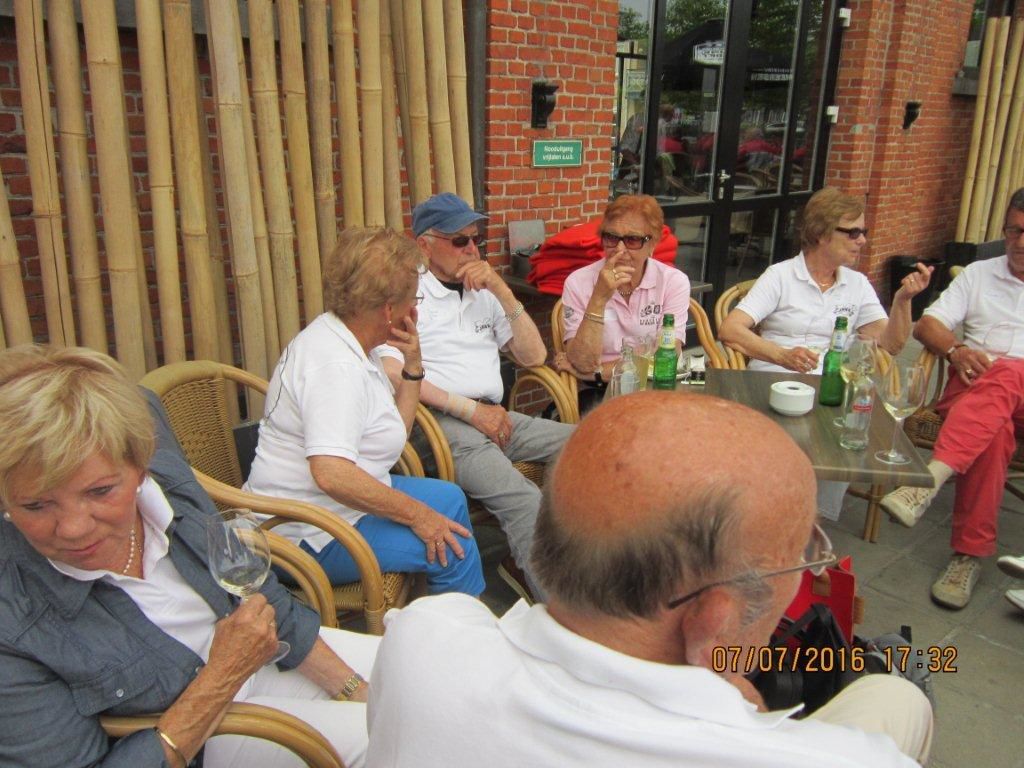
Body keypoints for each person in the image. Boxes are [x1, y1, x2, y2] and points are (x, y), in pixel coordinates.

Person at [366, 392, 933, 767]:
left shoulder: (424, 635)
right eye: (803, 556)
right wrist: (728, 696)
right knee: (901, 696)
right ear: (710, 620)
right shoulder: (850, 760)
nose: (811, 565)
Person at [0, 345, 381, 768]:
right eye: (35, 505)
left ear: (141, 468)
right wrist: (222, 676)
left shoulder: (166, 482)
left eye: (100, 491)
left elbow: (264, 600)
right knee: (388, 743)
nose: (73, 528)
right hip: (194, 734)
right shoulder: (13, 621)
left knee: (416, 670)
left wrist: (353, 688)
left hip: (259, 660)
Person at [245, 227, 484, 596]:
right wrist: (418, 515)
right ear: (389, 310)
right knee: (454, 547)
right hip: (307, 531)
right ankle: (456, 628)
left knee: (450, 500)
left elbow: (394, 434)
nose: (416, 309)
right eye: (414, 298)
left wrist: (413, 366)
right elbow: (331, 474)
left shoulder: (354, 341)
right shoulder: (335, 367)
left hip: (340, 506)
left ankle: (441, 610)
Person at [379, 193, 574, 601]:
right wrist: (468, 411)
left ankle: (536, 559)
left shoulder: (484, 290)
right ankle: (562, 608)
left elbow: (534, 356)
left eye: (475, 238)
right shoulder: (409, 292)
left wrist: (501, 289)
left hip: (493, 416)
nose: (471, 248)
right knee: (523, 499)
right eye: (459, 240)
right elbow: (393, 370)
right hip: (438, 423)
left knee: (585, 443)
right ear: (425, 245)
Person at [719, 187, 933, 520]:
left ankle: (812, 516)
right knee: (822, 421)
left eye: (863, 231)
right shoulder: (781, 276)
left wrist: (903, 301)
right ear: (821, 233)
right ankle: (779, 506)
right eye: (853, 232)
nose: (862, 240)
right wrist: (781, 355)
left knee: (853, 421)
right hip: (779, 377)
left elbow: (890, 344)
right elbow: (731, 329)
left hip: (835, 380)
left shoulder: (856, 284)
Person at [880, 188, 1024, 609]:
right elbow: (928, 325)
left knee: (1009, 372)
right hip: (974, 390)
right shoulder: (979, 274)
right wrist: (957, 350)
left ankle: (928, 481)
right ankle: (967, 557)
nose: (1020, 241)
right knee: (994, 433)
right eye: (1014, 230)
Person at [555, 194, 689, 394]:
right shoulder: (578, 282)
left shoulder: (673, 282)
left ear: (652, 245)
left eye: (632, 240)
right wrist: (599, 297)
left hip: (653, 386)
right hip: (599, 391)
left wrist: (598, 372)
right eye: (611, 238)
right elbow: (582, 362)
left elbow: (666, 356)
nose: (619, 249)